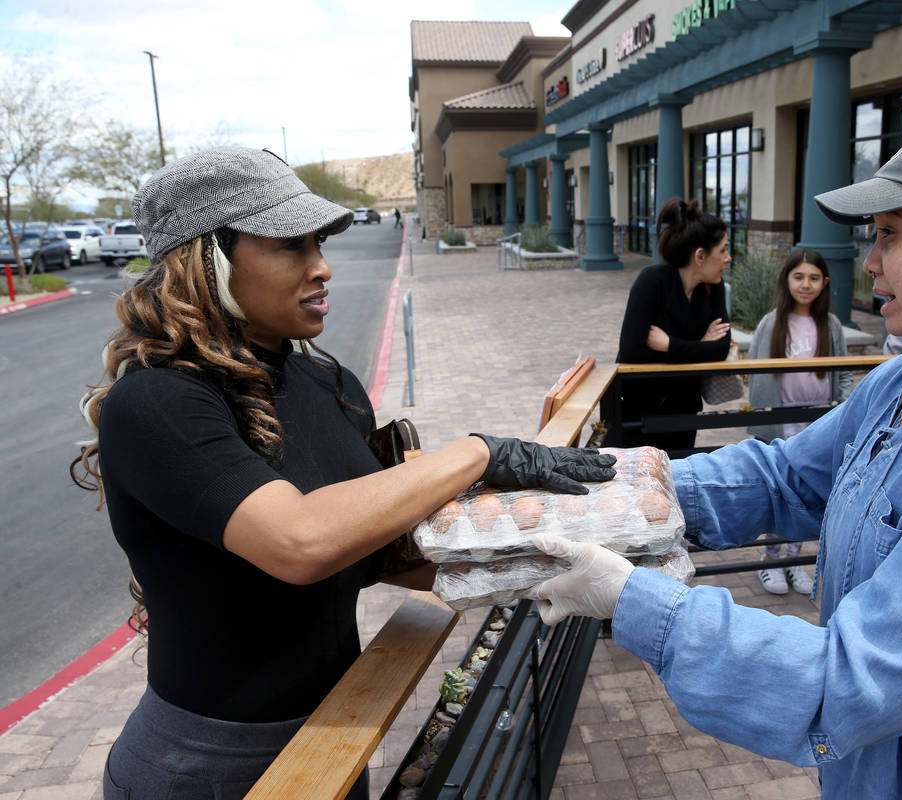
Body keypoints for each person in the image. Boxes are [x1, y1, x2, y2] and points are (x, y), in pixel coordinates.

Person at [527, 117, 902, 797]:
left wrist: (632, 601)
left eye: (891, 233)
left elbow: (846, 684)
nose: (868, 261)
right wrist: (610, 490)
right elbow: (785, 478)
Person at [71, 147, 615, 800]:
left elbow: (372, 556)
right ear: (207, 257)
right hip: (206, 767)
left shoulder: (329, 383)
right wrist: (477, 453)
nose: (321, 267)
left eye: (319, 244)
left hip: (332, 733)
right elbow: (301, 542)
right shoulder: (157, 402)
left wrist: (539, 560)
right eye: (290, 246)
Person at [746, 248, 853, 595]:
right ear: (786, 279)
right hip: (782, 427)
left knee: (810, 498)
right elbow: (755, 374)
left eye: (813, 277)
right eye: (798, 276)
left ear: (824, 282)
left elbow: (843, 373)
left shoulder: (831, 325)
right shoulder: (771, 322)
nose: (806, 284)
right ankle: (771, 560)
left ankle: (795, 561)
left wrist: (841, 411)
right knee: (781, 493)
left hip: (818, 425)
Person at [607, 196, 732, 451]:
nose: (728, 258)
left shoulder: (713, 288)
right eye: (723, 250)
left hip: (685, 410)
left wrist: (669, 345)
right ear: (700, 256)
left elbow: (720, 349)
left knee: (676, 481)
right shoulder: (652, 281)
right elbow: (632, 351)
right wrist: (699, 346)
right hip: (637, 413)